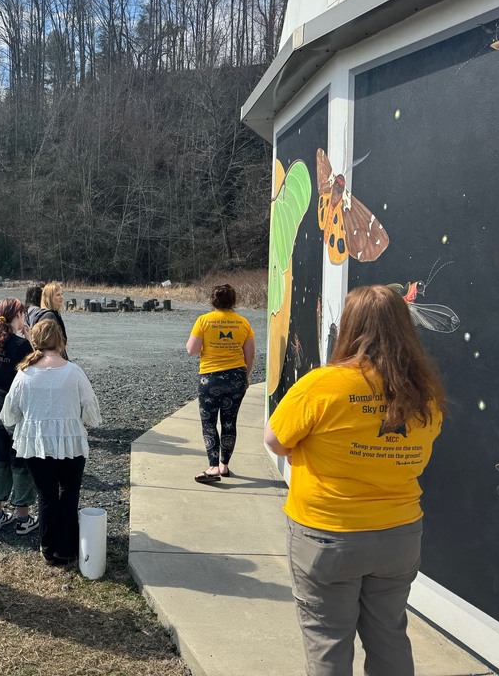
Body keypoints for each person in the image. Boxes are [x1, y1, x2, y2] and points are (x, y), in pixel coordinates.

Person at [265, 286, 445, 676]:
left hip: (328, 535)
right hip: (399, 535)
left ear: (349, 325)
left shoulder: (321, 385)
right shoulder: (425, 393)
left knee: (327, 639)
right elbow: (420, 450)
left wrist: (305, 450)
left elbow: (275, 440)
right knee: (390, 635)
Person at [2, 319, 102, 566]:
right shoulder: (73, 372)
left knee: (46, 494)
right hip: (70, 441)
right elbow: (90, 412)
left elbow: (10, 413)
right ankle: (66, 548)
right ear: (61, 341)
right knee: (70, 491)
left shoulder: (24, 374)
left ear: (34, 341)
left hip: (36, 443)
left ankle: (48, 547)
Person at [185, 283, 255, 484]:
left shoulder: (204, 321)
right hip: (236, 378)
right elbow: (250, 355)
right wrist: (245, 376)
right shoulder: (243, 323)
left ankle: (213, 466)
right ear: (233, 301)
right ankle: (224, 465)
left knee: (209, 421)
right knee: (229, 421)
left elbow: (192, 350)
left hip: (210, 378)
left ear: (213, 300)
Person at [0, 298, 38, 534]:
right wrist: (30, 339)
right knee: (21, 460)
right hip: (17, 409)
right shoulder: (20, 345)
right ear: (17, 316)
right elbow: (35, 370)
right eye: (22, 314)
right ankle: (23, 517)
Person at [33, 281, 68, 346]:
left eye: (62, 294)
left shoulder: (54, 314)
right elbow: (48, 342)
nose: (61, 297)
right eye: (58, 295)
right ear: (50, 298)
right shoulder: (49, 316)